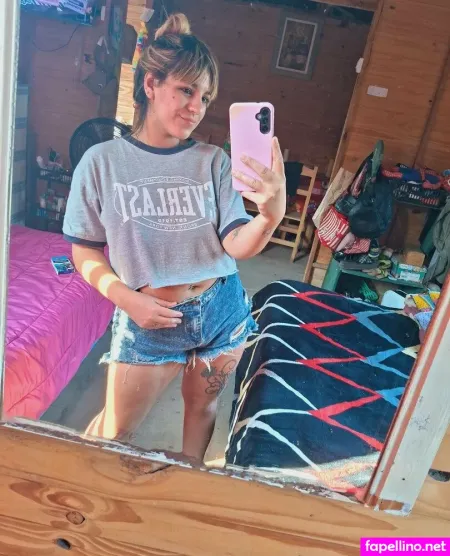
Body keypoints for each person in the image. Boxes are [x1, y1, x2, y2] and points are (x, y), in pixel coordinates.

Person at [62, 12, 286, 463]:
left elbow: (234, 244)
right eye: (186, 90)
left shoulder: (212, 161)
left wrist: (269, 216)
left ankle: (188, 485)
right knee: (114, 433)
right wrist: (126, 299)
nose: (196, 107)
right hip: (150, 319)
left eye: (205, 97)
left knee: (203, 409)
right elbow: (84, 248)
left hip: (222, 309)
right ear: (150, 84)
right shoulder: (101, 162)